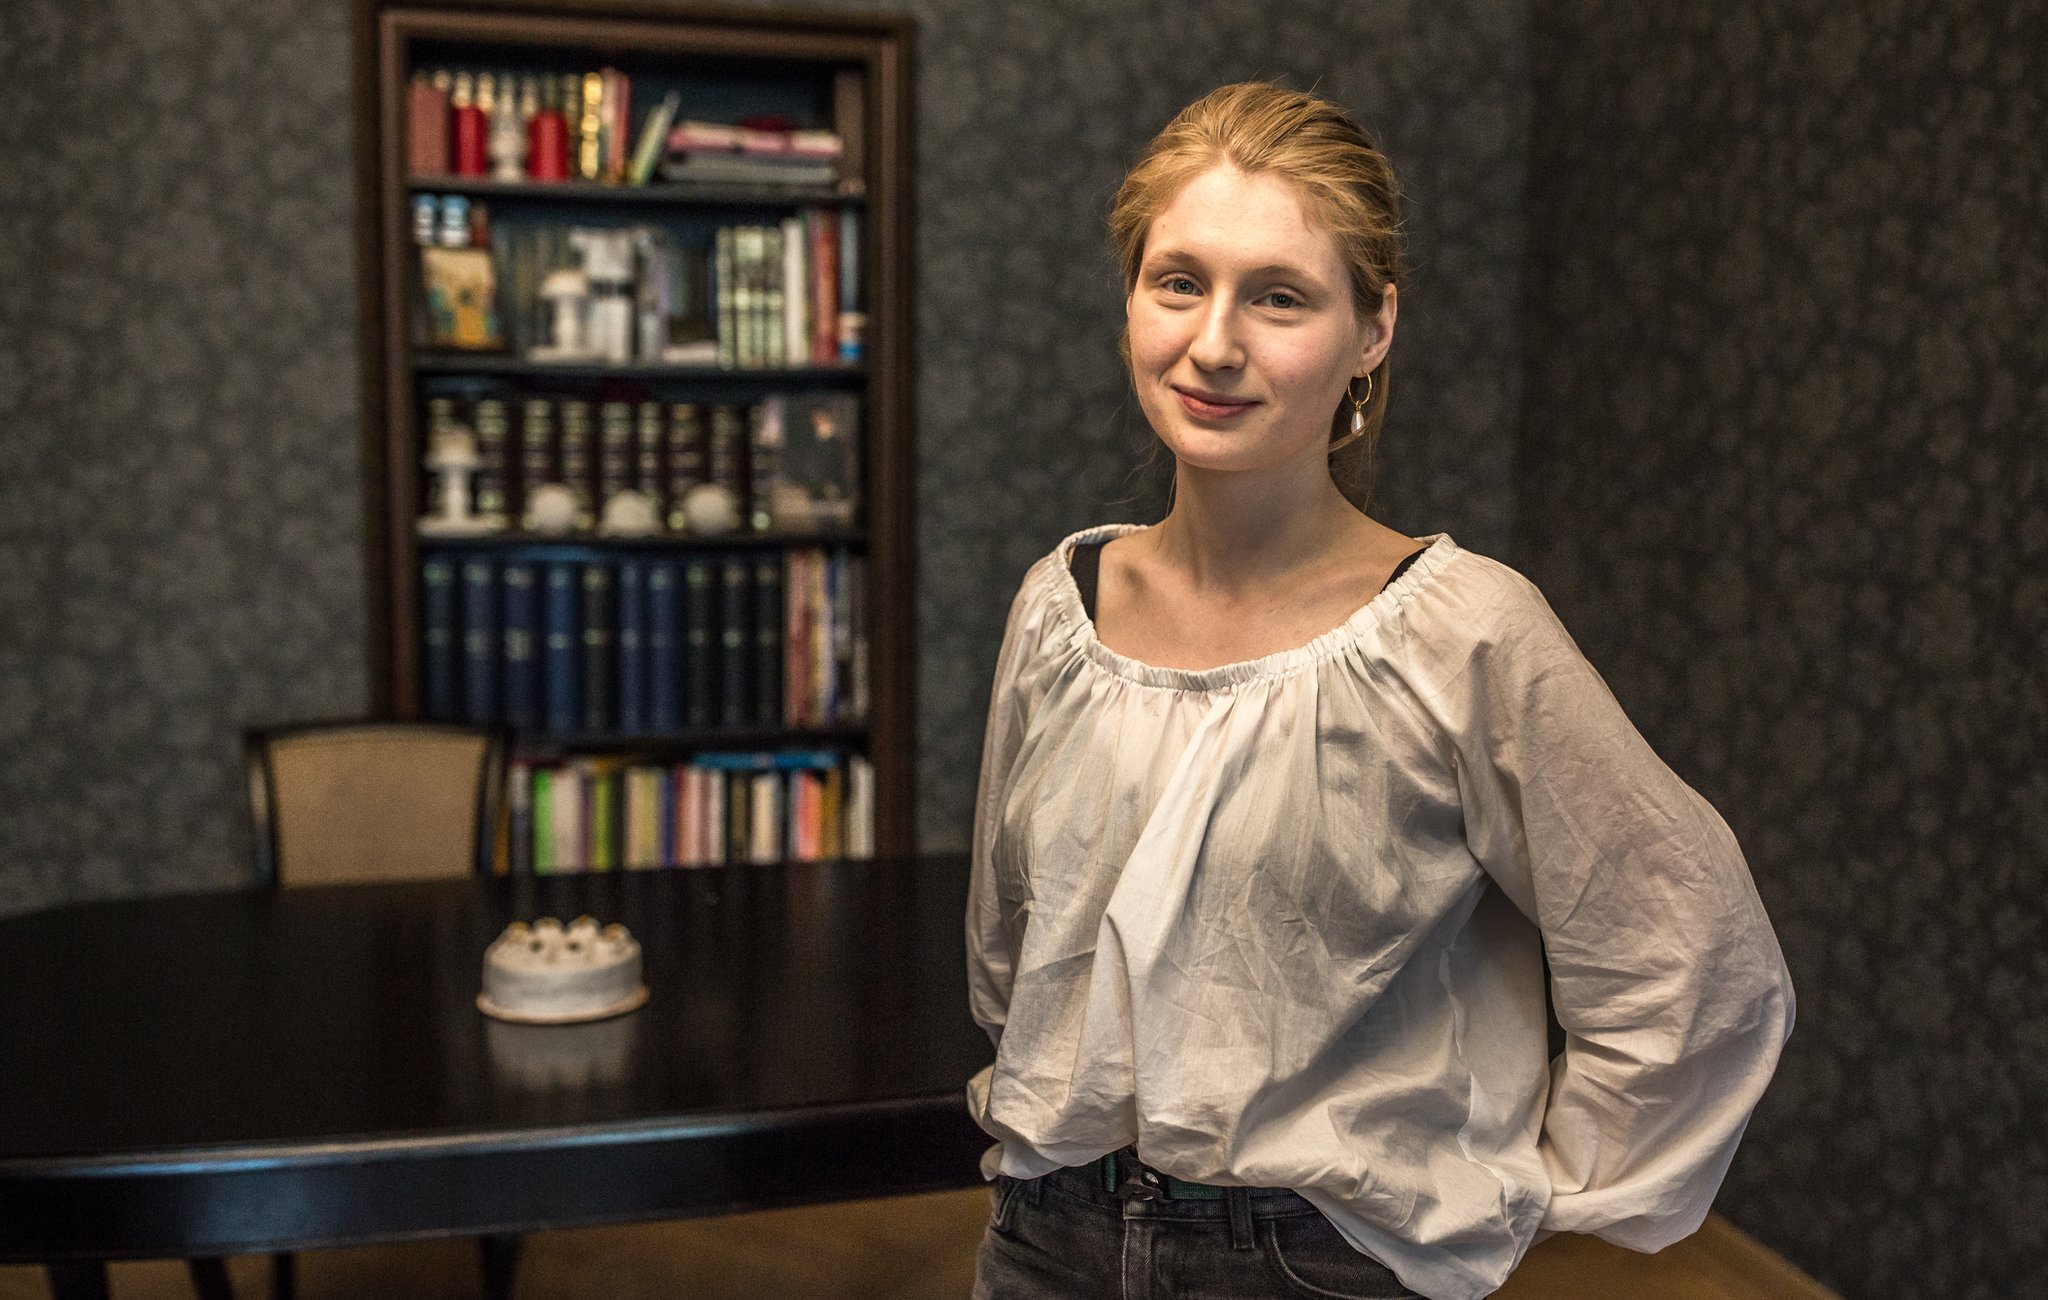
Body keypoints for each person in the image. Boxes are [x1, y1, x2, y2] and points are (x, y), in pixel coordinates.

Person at [963, 82, 1795, 1300]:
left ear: (1371, 330)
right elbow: (1007, 948)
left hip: (1317, 1268)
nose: (1212, 343)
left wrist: (1521, 1191)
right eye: (1177, 280)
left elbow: (1687, 952)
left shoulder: (1464, 633)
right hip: (1042, 1240)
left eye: (1280, 296)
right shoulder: (1058, 606)